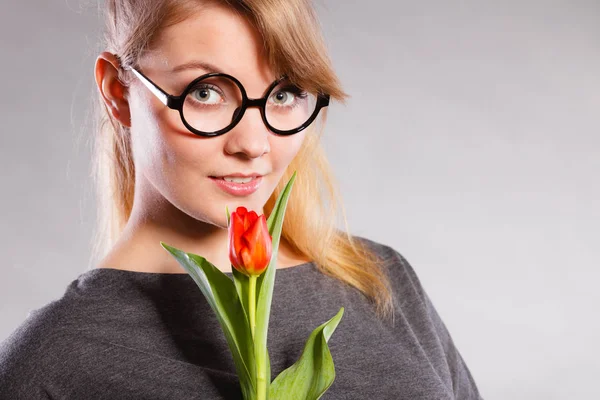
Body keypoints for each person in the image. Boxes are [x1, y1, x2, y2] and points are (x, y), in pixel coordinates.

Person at [0, 0, 484, 398]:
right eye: (206, 92)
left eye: (285, 92)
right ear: (117, 92)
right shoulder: (51, 361)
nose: (254, 144)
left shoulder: (380, 281)